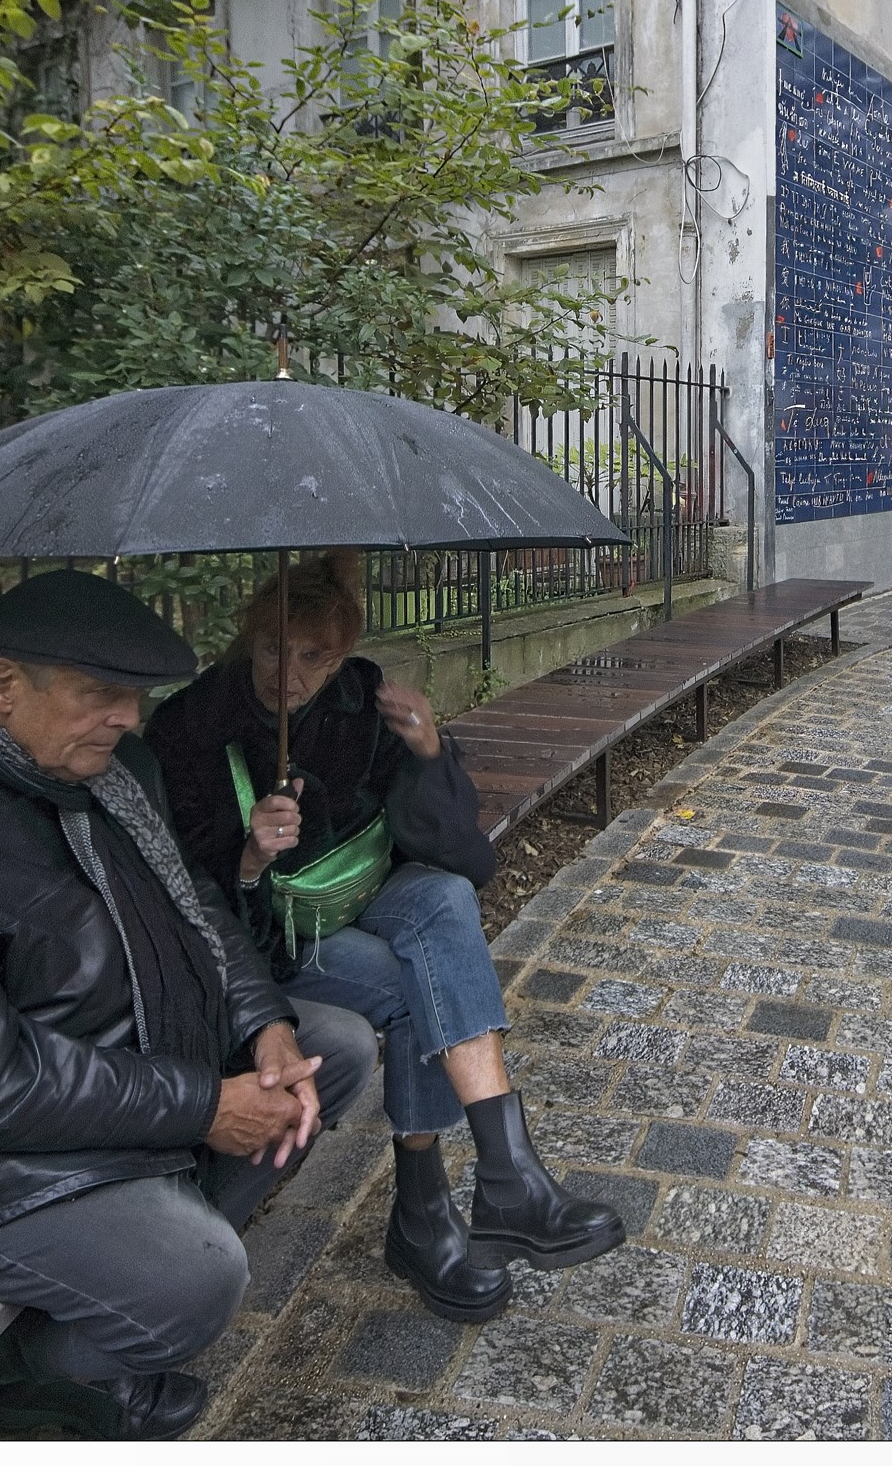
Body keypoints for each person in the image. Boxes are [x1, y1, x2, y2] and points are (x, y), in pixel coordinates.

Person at [0, 570, 381, 1441]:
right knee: (195, 1280)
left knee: (334, 1048)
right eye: (100, 695)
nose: (127, 717)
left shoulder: (105, 774)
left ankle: (121, 1272)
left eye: (133, 697)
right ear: (4, 687)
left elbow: (194, 905)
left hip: (111, 1074)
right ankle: (41, 1380)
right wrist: (202, 1106)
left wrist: (263, 1025)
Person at [148, 558, 626, 1325]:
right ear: (249, 638)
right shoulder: (191, 725)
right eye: (274, 649)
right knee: (417, 988)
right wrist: (247, 855)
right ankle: (432, 1211)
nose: (289, 673)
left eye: (313, 657)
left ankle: (504, 1174)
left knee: (439, 898)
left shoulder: (358, 699)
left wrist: (432, 750)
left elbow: (448, 846)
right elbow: (175, 887)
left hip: (371, 893)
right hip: (273, 935)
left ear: (339, 656)